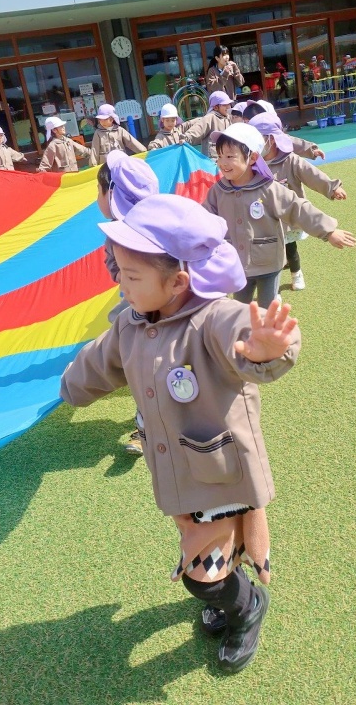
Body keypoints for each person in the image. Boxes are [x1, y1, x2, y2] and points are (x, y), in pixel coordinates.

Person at [60, 193, 301, 674]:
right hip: (179, 476)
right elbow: (96, 365)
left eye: (132, 277)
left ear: (178, 282)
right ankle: (228, 590)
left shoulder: (210, 319)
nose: (121, 285)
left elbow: (243, 333)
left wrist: (268, 348)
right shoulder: (131, 325)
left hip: (221, 477)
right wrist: (69, 388)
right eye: (119, 272)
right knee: (204, 548)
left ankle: (246, 606)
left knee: (201, 577)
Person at [203, 124, 356, 308]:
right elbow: (203, 219)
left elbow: (297, 208)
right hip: (236, 262)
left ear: (252, 158)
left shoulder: (269, 188)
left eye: (230, 156)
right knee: (239, 307)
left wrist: (329, 231)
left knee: (267, 308)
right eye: (219, 156)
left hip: (268, 261)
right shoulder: (218, 191)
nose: (222, 162)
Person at [96, 149, 159, 455]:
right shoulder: (116, 233)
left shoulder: (157, 224)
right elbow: (113, 268)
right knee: (144, 368)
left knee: (155, 368)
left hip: (161, 313)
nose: (96, 199)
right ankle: (144, 425)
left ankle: (156, 424)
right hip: (139, 310)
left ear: (112, 194)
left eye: (98, 191)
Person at [249, 112, 347, 291]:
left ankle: (296, 273)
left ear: (271, 139)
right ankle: (272, 289)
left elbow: (312, 175)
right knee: (270, 254)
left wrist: (332, 187)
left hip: (287, 218)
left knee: (290, 249)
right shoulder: (253, 163)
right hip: (264, 219)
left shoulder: (290, 160)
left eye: (257, 140)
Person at [243, 101, 325, 161]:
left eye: (249, 120)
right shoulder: (245, 135)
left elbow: (292, 142)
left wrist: (312, 149)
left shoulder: (274, 137)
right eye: (245, 121)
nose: (247, 124)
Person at [180, 91, 233, 159]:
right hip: (213, 159)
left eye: (228, 104)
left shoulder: (228, 118)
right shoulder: (210, 118)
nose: (228, 107)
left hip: (226, 158)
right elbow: (198, 129)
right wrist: (185, 138)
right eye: (224, 105)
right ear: (216, 107)